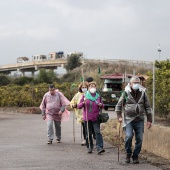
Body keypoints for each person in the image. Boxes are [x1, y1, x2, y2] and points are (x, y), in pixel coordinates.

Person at [115, 76, 152, 164]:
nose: (136, 84)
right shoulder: (126, 92)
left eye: (137, 83)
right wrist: (119, 116)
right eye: (134, 83)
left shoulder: (143, 93)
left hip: (139, 119)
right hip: (128, 119)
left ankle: (135, 156)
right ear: (130, 83)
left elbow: (147, 107)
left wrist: (149, 120)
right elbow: (119, 105)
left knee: (139, 139)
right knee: (129, 136)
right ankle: (128, 153)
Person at [78, 81, 105, 154]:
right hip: (87, 117)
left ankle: (99, 147)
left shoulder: (98, 96)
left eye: (94, 86)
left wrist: (100, 105)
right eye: (91, 86)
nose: (92, 87)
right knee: (88, 133)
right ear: (88, 88)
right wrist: (83, 102)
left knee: (97, 132)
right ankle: (90, 146)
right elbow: (79, 106)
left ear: (96, 88)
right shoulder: (85, 95)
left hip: (96, 117)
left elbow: (103, 105)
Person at [70, 81, 88, 145]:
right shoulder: (77, 95)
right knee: (84, 127)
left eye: (85, 87)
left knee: (89, 127)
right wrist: (73, 105)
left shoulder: (89, 94)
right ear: (80, 88)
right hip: (81, 114)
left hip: (89, 113)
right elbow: (72, 102)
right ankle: (86, 139)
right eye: (82, 87)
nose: (84, 88)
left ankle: (90, 138)